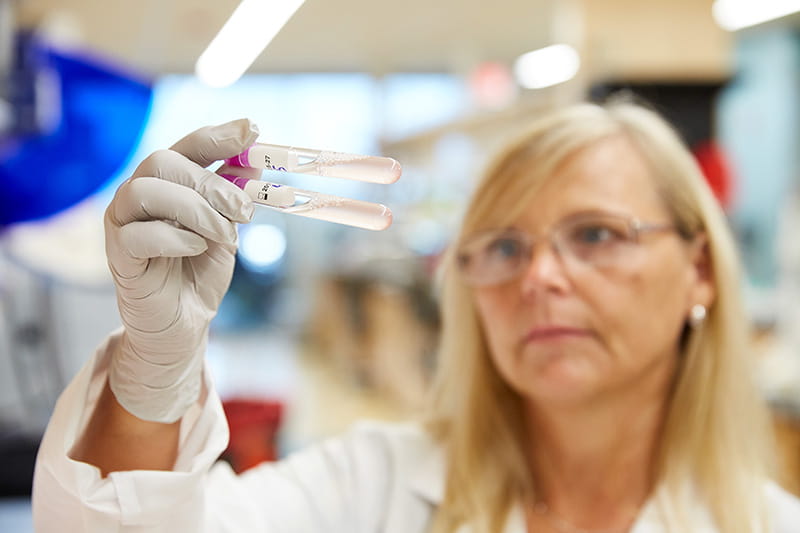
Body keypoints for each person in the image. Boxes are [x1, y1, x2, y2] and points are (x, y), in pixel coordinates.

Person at [32, 102, 800, 533]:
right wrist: (153, 370)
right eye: (502, 245)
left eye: (595, 234)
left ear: (699, 268)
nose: (538, 275)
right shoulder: (371, 485)